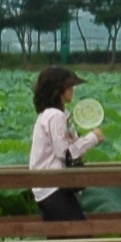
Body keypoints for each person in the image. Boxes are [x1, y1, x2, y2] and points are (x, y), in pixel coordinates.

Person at [29, 66, 100, 224]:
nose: (72, 90)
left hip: (48, 187)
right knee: (80, 234)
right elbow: (65, 153)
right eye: (70, 86)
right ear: (60, 90)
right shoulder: (55, 116)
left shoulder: (52, 115)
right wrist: (92, 138)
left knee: (60, 239)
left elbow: (68, 147)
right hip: (53, 187)